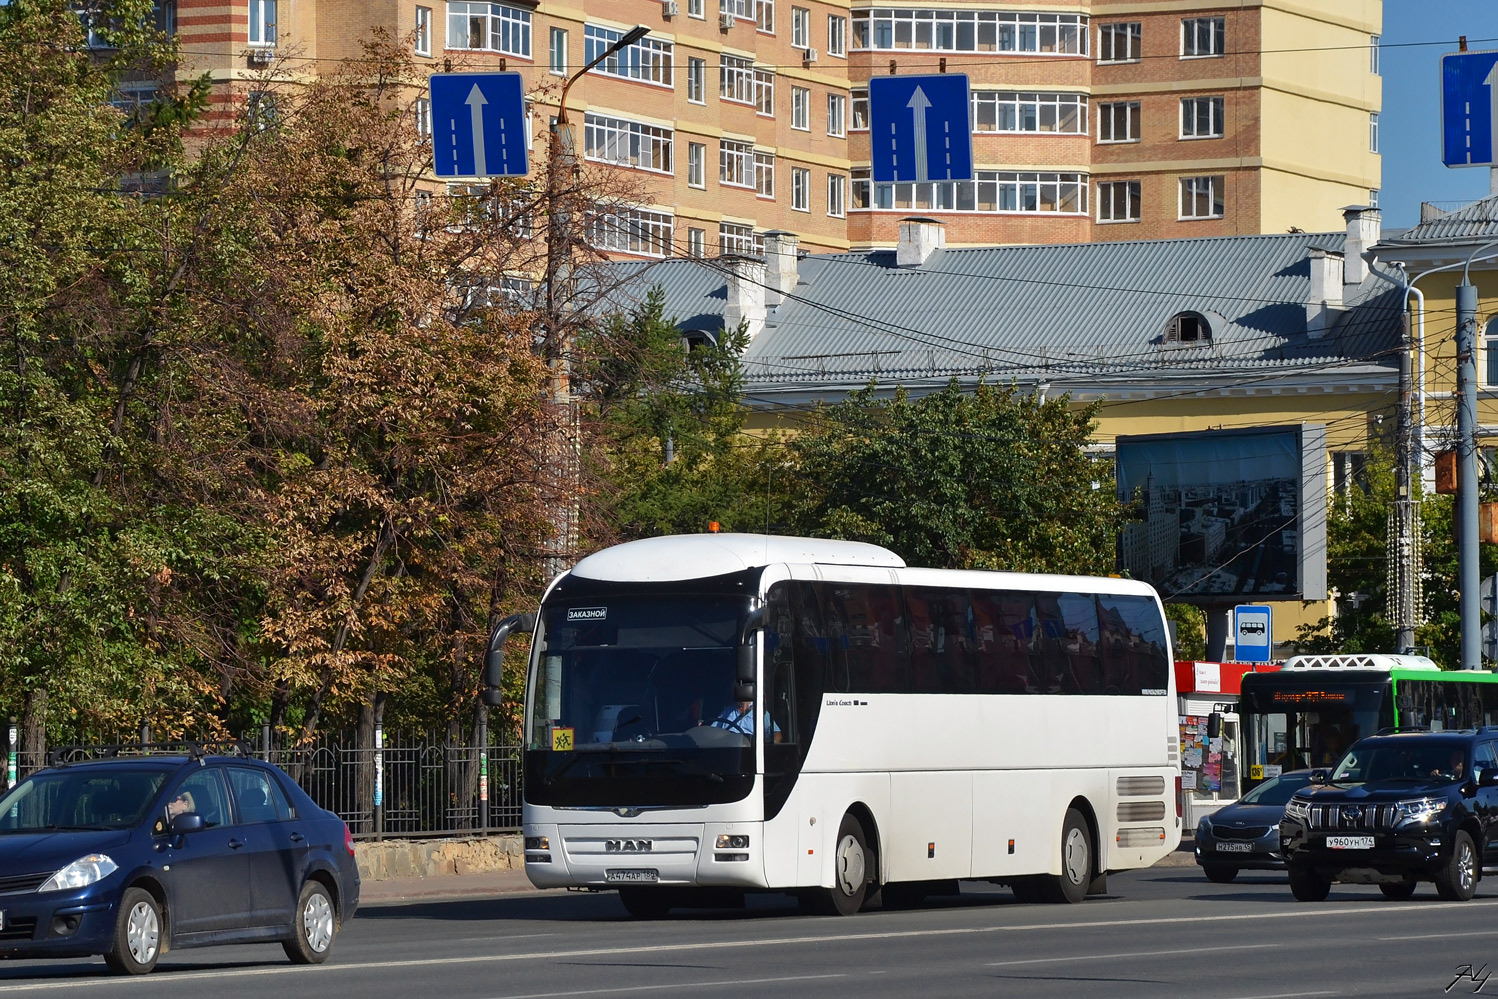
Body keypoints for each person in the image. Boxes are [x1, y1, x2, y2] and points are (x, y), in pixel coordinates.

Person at [709, 699, 782, 742]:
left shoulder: (760, 711)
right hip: (727, 750)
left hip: (749, 753)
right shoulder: (727, 711)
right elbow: (713, 730)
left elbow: (777, 734)